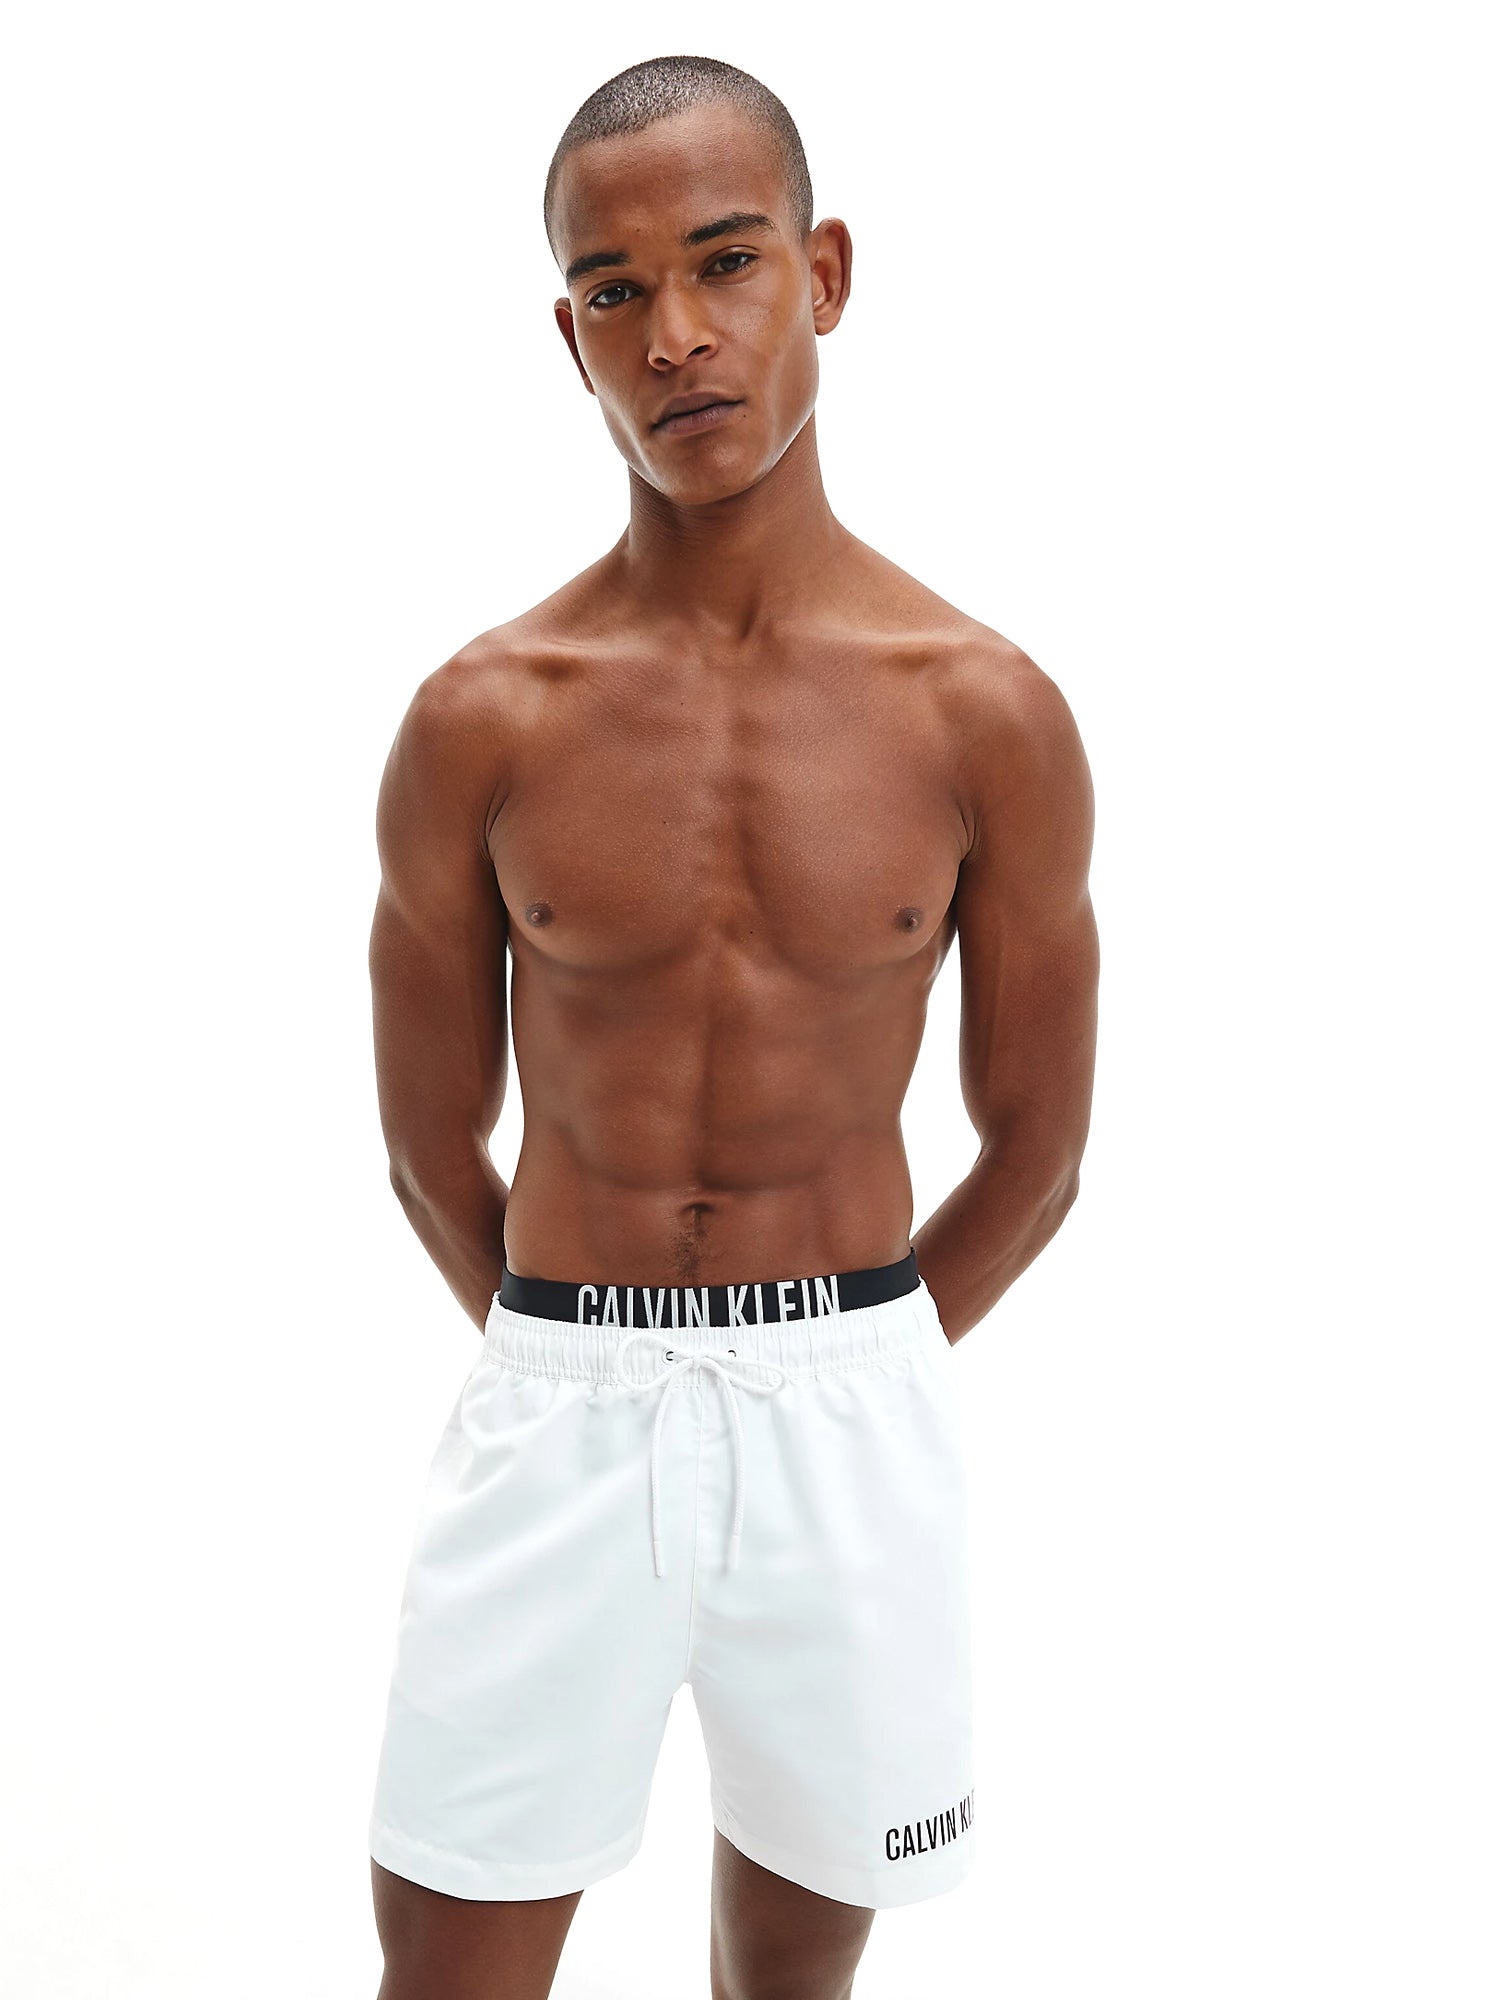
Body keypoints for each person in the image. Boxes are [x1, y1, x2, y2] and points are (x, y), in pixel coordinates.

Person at [364, 51, 1099, 2000]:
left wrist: (844, 1356)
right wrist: (582, 1359)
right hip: (560, 1407)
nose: (674, 334)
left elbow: (1038, 1149)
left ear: (825, 272)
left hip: (850, 1406)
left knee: (790, 1977)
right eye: (612, 289)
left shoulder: (982, 711)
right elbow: (429, 1145)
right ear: (571, 340)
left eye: (725, 260)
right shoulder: (482, 718)